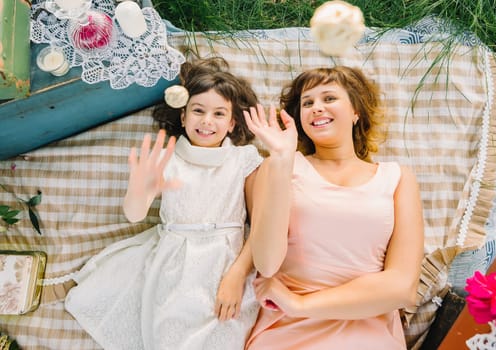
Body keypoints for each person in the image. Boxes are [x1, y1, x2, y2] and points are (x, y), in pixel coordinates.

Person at [65, 57, 263, 350]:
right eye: (198, 111)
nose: (207, 121)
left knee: (224, 334)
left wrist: (237, 275)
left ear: (232, 122)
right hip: (174, 264)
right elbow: (134, 215)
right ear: (183, 117)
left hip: (228, 263)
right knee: (168, 336)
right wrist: (139, 188)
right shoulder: (167, 158)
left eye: (219, 113)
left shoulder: (243, 160)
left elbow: (260, 226)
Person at [243, 66, 424, 349]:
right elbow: (266, 262)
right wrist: (281, 159)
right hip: (287, 329)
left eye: (329, 98)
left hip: (366, 324)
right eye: (307, 102)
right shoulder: (279, 166)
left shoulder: (399, 178)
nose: (316, 108)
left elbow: (403, 288)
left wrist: (300, 304)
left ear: (356, 112)